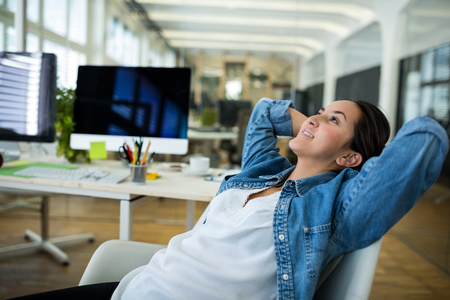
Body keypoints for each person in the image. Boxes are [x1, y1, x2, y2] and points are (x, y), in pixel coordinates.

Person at [11, 98, 449, 300]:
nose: (314, 117)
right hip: (140, 284)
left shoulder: (337, 209)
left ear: (351, 155)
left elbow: (425, 139)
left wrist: (342, 154)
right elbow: (262, 111)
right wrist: (315, 126)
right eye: (318, 110)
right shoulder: (262, 171)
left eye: (333, 118)